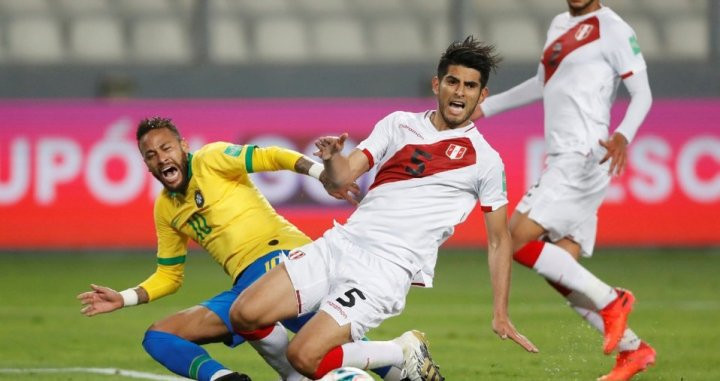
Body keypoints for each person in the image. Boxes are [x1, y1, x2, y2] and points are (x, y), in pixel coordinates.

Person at [228, 36, 539, 381]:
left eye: (470, 86)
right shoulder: (397, 124)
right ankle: (381, 362)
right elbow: (343, 177)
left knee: (304, 356)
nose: (459, 93)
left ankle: (398, 352)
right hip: (342, 243)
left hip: (384, 269)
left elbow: (499, 239)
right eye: (452, 82)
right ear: (437, 84)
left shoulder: (486, 160)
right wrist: (333, 160)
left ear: (482, 96)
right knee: (244, 313)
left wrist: (500, 312)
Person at [76, 117, 402, 381]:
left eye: (166, 148)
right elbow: (169, 275)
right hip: (246, 286)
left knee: (317, 342)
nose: (161, 157)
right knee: (159, 337)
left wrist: (320, 174)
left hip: (285, 259)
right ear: (146, 165)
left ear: (183, 147)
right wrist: (125, 297)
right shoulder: (165, 209)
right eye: (151, 155)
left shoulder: (211, 159)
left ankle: (400, 356)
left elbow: (272, 156)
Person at [471, 1, 655, 380]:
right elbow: (542, 83)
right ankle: (634, 350)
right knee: (563, 271)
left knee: (514, 240)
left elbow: (643, 94)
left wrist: (623, 135)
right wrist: (486, 109)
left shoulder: (613, 28)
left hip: (583, 155)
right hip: (565, 156)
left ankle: (613, 300)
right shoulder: (559, 24)